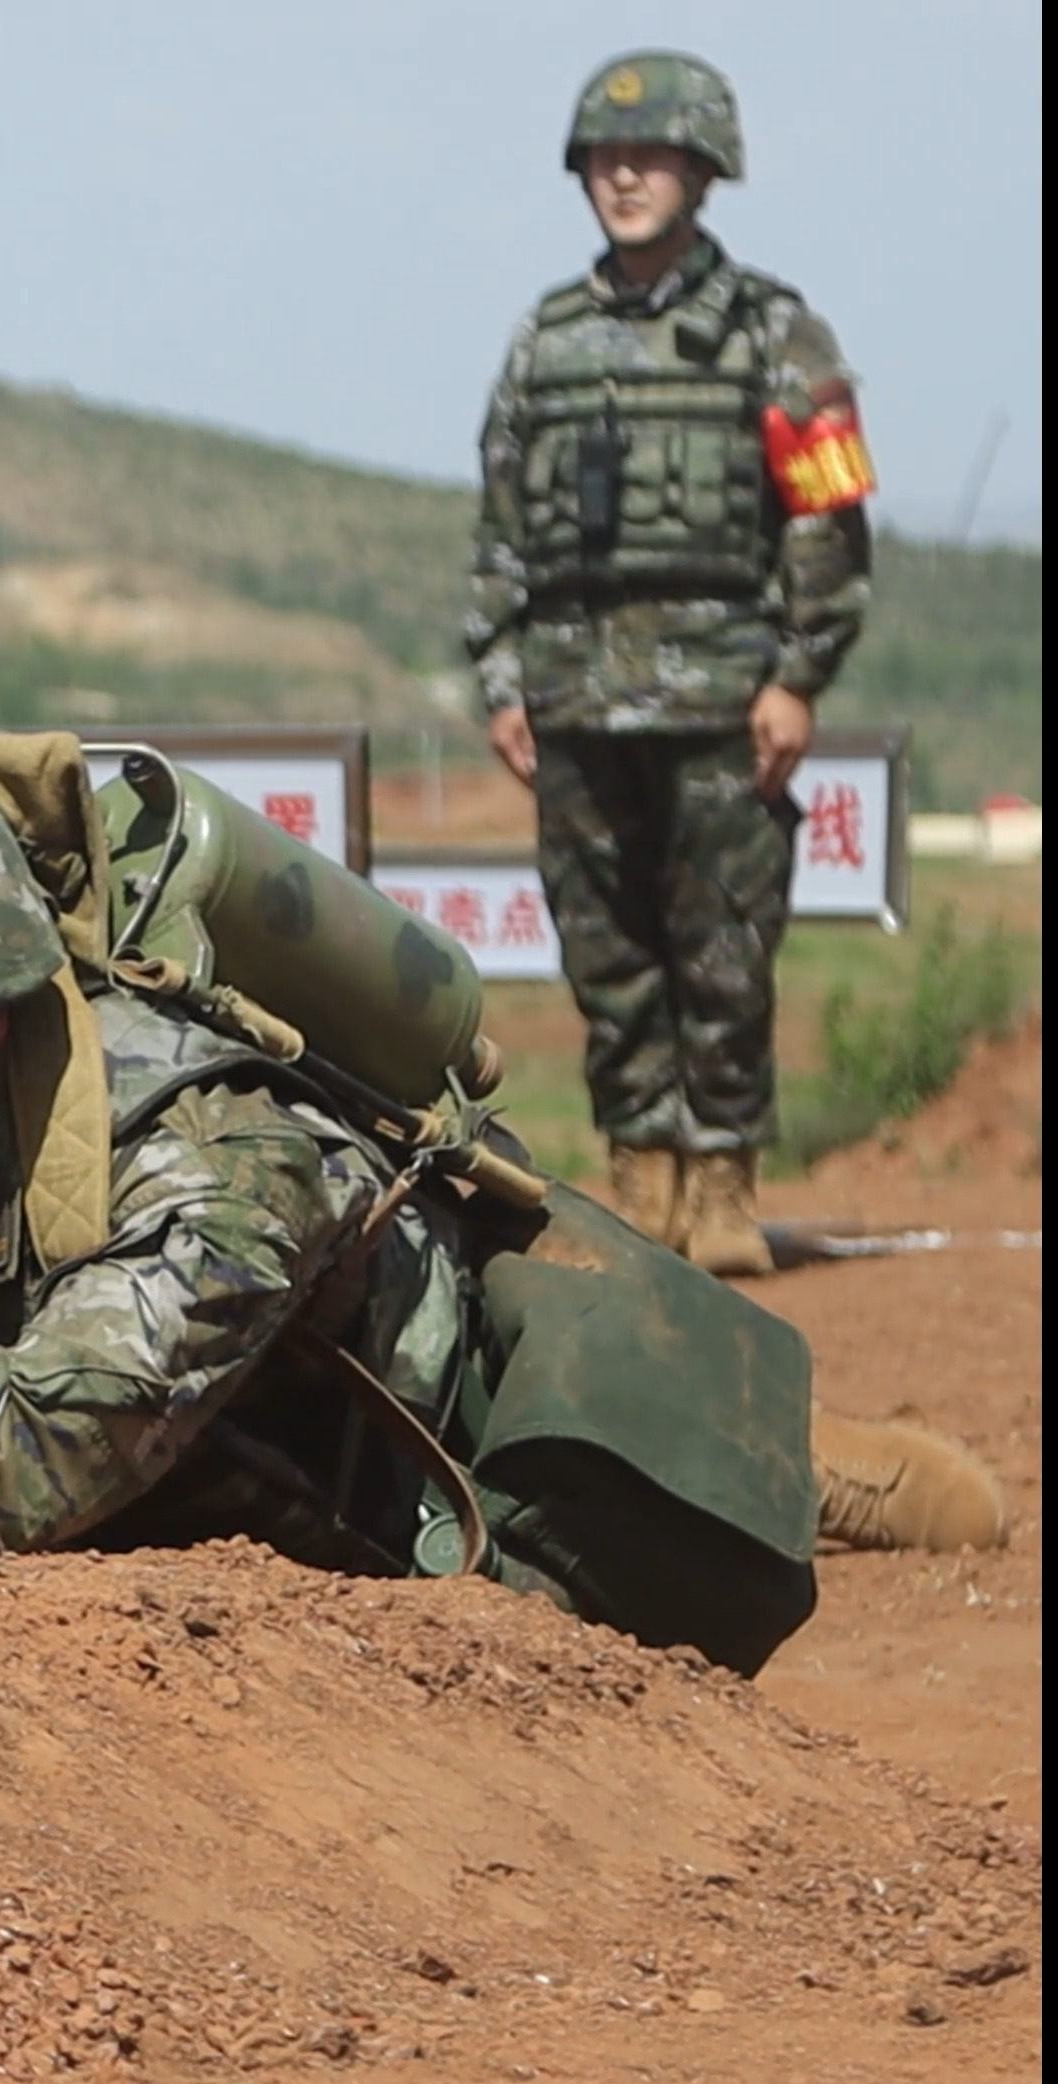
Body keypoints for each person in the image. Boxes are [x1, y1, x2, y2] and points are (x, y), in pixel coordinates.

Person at [0, 732, 1000, 1668]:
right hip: (135, 1471)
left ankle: (816, 1474)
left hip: (466, 1485)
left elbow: (23, 1473)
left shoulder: (217, 1149)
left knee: (674, 1522)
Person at [465, 50, 873, 1277]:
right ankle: (643, 1173)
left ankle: (724, 1184)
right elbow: (499, 525)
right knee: (607, 952)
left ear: (704, 170)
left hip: (721, 702)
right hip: (576, 699)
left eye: (650, 157)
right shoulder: (547, 339)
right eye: (604, 156)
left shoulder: (775, 333)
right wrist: (501, 677)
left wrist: (801, 674)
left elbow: (828, 517)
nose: (625, 174)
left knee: (725, 949)